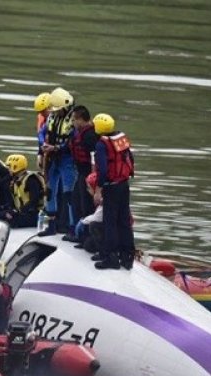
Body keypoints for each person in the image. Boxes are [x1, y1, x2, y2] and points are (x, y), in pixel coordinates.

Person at [93, 113, 135, 270]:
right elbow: (130, 158)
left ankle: (111, 257)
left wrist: (98, 189)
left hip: (111, 186)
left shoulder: (101, 145)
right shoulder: (120, 138)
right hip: (124, 184)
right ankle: (127, 256)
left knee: (110, 221)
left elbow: (102, 170)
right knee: (124, 221)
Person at [39, 87, 77, 236]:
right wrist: (43, 145)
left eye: (58, 109)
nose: (55, 112)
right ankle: (51, 225)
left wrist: (56, 148)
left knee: (69, 194)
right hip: (52, 158)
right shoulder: (52, 118)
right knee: (49, 191)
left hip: (66, 160)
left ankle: (72, 228)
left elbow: (72, 142)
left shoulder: (72, 121)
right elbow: (42, 133)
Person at [68, 105, 99, 240]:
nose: (73, 123)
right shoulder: (80, 134)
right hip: (81, 172)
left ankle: (86, 236)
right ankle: (79, 233)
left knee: (86, 205)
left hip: (88, 174)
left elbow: (94, 158)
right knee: (76, 201)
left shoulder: (90, 136)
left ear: (81, 119)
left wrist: (92, 179)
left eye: (75, 120)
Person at [3, 154, 45, 228]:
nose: (8, 169)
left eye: (9, 167)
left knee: (11, 222)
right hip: (22, 212)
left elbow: (34, 200)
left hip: (33, 214)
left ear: (16, 167)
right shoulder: (15, 180)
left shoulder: (31, 180)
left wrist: (18, 212)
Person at [75, 172, 103, 253]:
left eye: (89, 187)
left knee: (92, 226)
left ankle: (102, 250)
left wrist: (82, 221)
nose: (87, 190)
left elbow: (97, 217)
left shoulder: (102, 200)